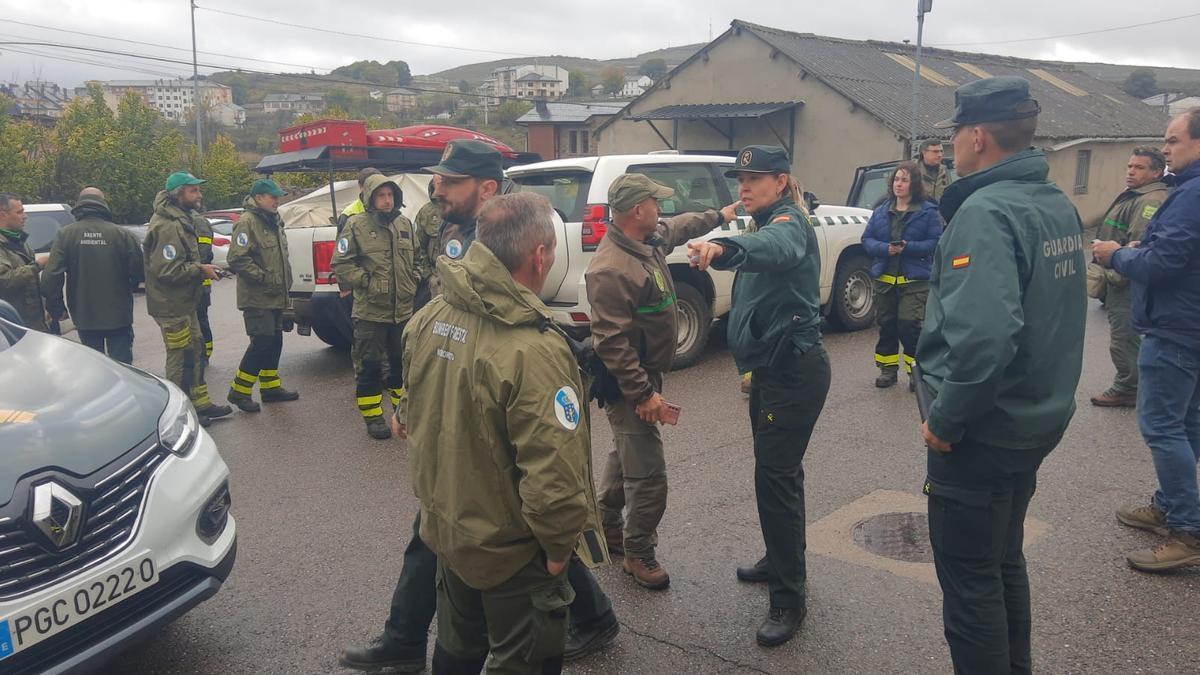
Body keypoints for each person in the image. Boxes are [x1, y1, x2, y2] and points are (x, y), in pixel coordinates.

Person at [338, 141, 619, 673]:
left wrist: (554, 354)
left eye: (452, 180)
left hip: (479, 394)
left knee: (498, 528)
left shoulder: (501, 232)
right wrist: (415, 394)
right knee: (480, 527)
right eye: (439, 180)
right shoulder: (456, 232)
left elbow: (513, 314)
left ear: (486, 190)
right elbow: (449, 308)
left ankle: (408, 639)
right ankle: (409, 638)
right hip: (456, 377)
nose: (438, 188)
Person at [916, 76, 1086, 673]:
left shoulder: (986, 211)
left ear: (977, 136)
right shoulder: (1054, 202)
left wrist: (945, 419)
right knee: (1001, 558)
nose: (954, 145)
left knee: (969, 584)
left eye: (957, 133)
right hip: (1033, 421)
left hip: (982, 433)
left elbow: (985, 338)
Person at [401, 192, 601, 674]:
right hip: (512, 552)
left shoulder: (429, 318)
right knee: (525, 659)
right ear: (540, 255)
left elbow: (409, 417)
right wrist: (558, 549)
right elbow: (553, 471)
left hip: (450, 531)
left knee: (456, 649)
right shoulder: (534, 351)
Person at [688, 145, 831, 647]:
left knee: (775, 479)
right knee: (778, 474)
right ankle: (780, 556)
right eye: (740, 179)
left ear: (782, 180)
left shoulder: (790, 222)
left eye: (754, 178)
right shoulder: (762, 220)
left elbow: (777, 247)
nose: (743, 187)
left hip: (793, 371)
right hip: (771, 370)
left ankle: (789, 597)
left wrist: (722, 249)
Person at [585, 173, 735, 590]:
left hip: (646, 374)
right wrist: (644, 394)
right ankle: (638, 553)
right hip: (628, 381)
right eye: (655, 202)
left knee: (626, 452)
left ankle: (608, 526)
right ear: (638, 210)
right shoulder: (611, 268)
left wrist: (720, 215)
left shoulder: (647, 239)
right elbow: (612, 343)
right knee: (649, 473)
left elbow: (680, 226)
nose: (661, 209)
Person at [1095, 107, 1200, 572]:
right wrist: (1145, 250)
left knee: (1161, 426)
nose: (1165, 148)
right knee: (1187, 424)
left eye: (1173, 140)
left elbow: (1165, 266)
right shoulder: (1186, 192)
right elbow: (1175, 253)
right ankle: (1169, 505)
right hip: (1190, 324)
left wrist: (1118, 256)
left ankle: (1187, 530)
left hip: (1176, 328)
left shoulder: (1192, 195)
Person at [330, 173, 417, 440]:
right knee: (370, 367)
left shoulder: (404, 223)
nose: (387, 200)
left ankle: (401, 414)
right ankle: (372, 417)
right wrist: (366, 282)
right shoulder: (356, 225)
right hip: (370, 312)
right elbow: (341, 263)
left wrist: (413, 278)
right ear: (369, 196)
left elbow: (417, 259)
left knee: (399, 366)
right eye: (381, 195)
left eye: (390, 195)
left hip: (401, 311)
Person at [144, 172, 232, 426]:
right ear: (178, 194)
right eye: (193, 191)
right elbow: (167, 270)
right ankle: (179, 414)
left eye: (198, 190)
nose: (199, 195)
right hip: (171, 306)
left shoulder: (181, 219)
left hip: (184, 302)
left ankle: (200, 404)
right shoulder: (166, 226)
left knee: (194, 350)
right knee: (180, 355)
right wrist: (200, 269)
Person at [1087, 147, 1169, 408]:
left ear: (1157, 172)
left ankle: (1128, 387)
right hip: (1119, 273)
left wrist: (1115, 272)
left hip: (1126, 279)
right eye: (1130, 166)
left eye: (1140, 167)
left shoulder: (1149, 201)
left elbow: (1140, 246)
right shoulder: (1138, 195)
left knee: (1124, 336)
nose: (1131, 171)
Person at [861, 161, 942, 389]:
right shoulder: (881, 211)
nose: (899, 184)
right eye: (897, 179)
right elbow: (867, 240)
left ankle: (917, 374)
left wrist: (909, 247)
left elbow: (936, 242)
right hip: (885, 282)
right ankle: (887, 371)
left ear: (914, 184)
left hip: (914, 282)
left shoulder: (928, 212)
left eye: (904, 180)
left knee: (909, 326)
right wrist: (885, 249)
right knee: (886, 326)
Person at [41, 188, 143, 363]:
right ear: (103, 204)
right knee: (123, 367)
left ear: (79, 205)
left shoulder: (66, 235)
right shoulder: (122, 235)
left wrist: (57, 309)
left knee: (94, 365)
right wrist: (130, 286)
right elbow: (139, 272)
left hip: (84, 314)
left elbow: (51, 276)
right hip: (118, 314)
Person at [226, 178, 299, 412]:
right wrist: (263, 277)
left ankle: (270, 388)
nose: (277, 200)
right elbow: (237, 258)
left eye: (278, 196)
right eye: (272, 196)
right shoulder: (247, 223)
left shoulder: (274, 221)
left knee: (275, 340)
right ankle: (239, 391)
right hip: (257, 297)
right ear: (259, 198)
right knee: (262, 342)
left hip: (276, 296)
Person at [0, 193, 49, 331]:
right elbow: (5, 280)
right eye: (19, 212)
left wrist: (43, 309)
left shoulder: (19, 241)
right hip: (11, 326)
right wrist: (37, 266)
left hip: (32, 322)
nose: (25, 216)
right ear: (3, 214)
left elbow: (31, 284)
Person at [193, 206, 215, 364]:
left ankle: (204, 353)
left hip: (200, 282)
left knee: (200, 319)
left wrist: (193, 269)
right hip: (190, 281)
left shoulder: (198, 222)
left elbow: (204, 252)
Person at [336, 167, 383, 232]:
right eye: (370, 185)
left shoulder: (389, 209)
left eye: (378, 184)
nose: (375, 188)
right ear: (361, 187)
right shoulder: (348, 215)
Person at [918, 139, 950, 204]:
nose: (940, 155)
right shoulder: (912, 170)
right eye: (935, 151)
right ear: (924, 152)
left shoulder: (944, 170)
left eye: (941, 151)